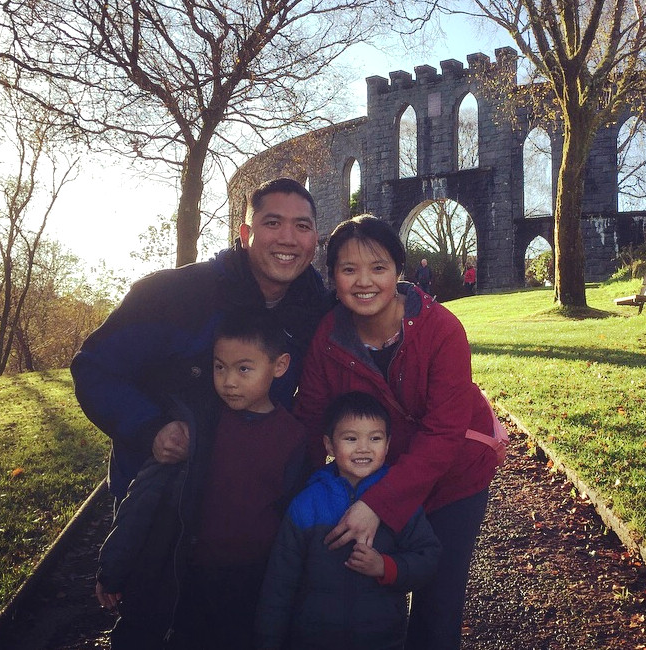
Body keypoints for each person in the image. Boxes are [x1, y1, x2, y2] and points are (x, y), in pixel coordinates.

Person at [293, 215, 503, 650]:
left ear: (399, 272)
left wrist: (377, 504)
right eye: (348, 269)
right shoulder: (327, 338)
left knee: (437, 603)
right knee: (364, 590)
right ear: (332, 278)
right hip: (378, 472)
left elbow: (445, 433)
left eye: (378, 267)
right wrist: (301, 500)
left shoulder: (441, 329)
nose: (363, 281)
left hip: (455, 477)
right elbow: (310, 422)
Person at [71, 177, 331, 508]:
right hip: (165, 502)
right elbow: (95, 367)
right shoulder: (175, 294)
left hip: (256, 502)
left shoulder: (313, 309)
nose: (288, 238)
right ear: (246, 235)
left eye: (302, 226)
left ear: (314, 239)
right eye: (273, 223)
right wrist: (152, 429)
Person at [95, 310, 311, 649]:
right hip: (190, 573)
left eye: (244, 369)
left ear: (280, 366)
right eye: (219, 366)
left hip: (255, 578)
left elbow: (296, 516)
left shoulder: (294, 437)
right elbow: (144, 495)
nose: (229, 381)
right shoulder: (199, 425)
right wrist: (113, 567)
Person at [255, 391, 441, 650]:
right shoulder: (307, 504)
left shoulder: (399, 502)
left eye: (375, 438)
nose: (363, 448)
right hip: (312, 639)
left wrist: (384, 567)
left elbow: (428, 557)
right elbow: (280, 582)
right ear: (329, 445)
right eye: (351, 438)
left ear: (388, 445)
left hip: (381, 639)